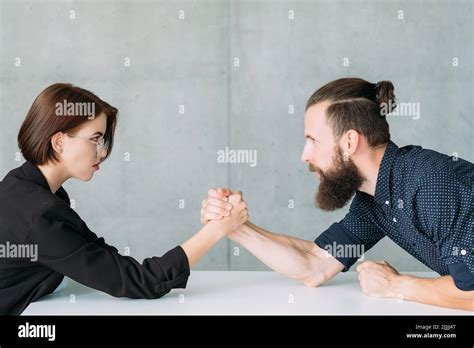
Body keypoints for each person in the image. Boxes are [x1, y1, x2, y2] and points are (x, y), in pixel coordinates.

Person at [201, 77, 474, 311]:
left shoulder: (433, 185)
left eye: (312, 140)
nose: (304, 155)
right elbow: (315, 264)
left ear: (349, 142)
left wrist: (396, 285)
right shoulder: (374, 200)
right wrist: (234, 226)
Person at [0, 83, 248, 315]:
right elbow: (139, 282)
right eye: (96, 139)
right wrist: (217, 229)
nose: (104, 151)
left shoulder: (26, 187)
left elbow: (98, 253)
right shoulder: (39, 216)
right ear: (59, 141)